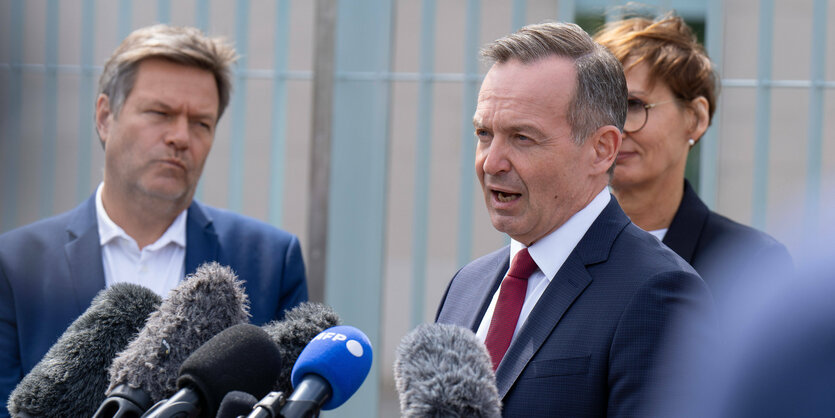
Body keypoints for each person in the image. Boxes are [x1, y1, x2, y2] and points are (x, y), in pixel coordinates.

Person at [0, 24, 308, 411]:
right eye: (160, 113)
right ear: (105, 116)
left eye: (201, 123)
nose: (180, 136)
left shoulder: (270, 262)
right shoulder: (15, 265)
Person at [435, 22, 714, 416]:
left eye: (522, 137)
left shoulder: (657, 294)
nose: (491, 162)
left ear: (602, 150)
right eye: (484, 133)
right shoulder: (466, 286)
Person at [593, 14, 792, 301]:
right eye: (600, 108)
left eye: (634, 105)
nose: (614, 129)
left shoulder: (751, 263)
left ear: (695, 118)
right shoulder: (556, 253)